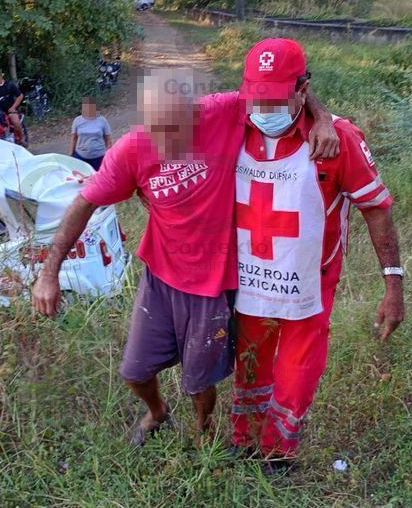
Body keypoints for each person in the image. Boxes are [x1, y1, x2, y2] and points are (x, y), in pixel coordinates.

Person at [31, 68, 340, 446]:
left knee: (199, 381)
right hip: (161, 277)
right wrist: (49, 272)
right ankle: (158, 413)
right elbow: (84, 203)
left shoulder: (222, 112)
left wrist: (323, 119)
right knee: (135, 371)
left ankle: (203, 427)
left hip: (214, 285)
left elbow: (285, 88)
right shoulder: (132, 149)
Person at [229, 38, 405, 474]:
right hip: (250, 279)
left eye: (277, 97)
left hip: (310, 284)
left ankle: (277, 451)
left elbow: (376, 211)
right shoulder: (232, 122)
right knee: (249, 367)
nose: (263, 106)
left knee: (296, 372)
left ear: (302, 89)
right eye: (257, 95)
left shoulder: (338, 139)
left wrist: (393, 284)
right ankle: (245, 439)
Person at [68, 97, 111, 170]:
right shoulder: (77, 121)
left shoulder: (102, 120)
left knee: (98, 178)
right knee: (82, 178)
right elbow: (74, 138)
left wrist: (109, 154)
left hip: (99, 157)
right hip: (81, 156)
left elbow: (108, 139)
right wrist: (71, 153)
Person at [0, 68, 25, 145]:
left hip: (9, 109)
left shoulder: (10, 85)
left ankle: (21, 139)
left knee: (15, 121)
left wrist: (13, 107)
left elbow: (20, 96)